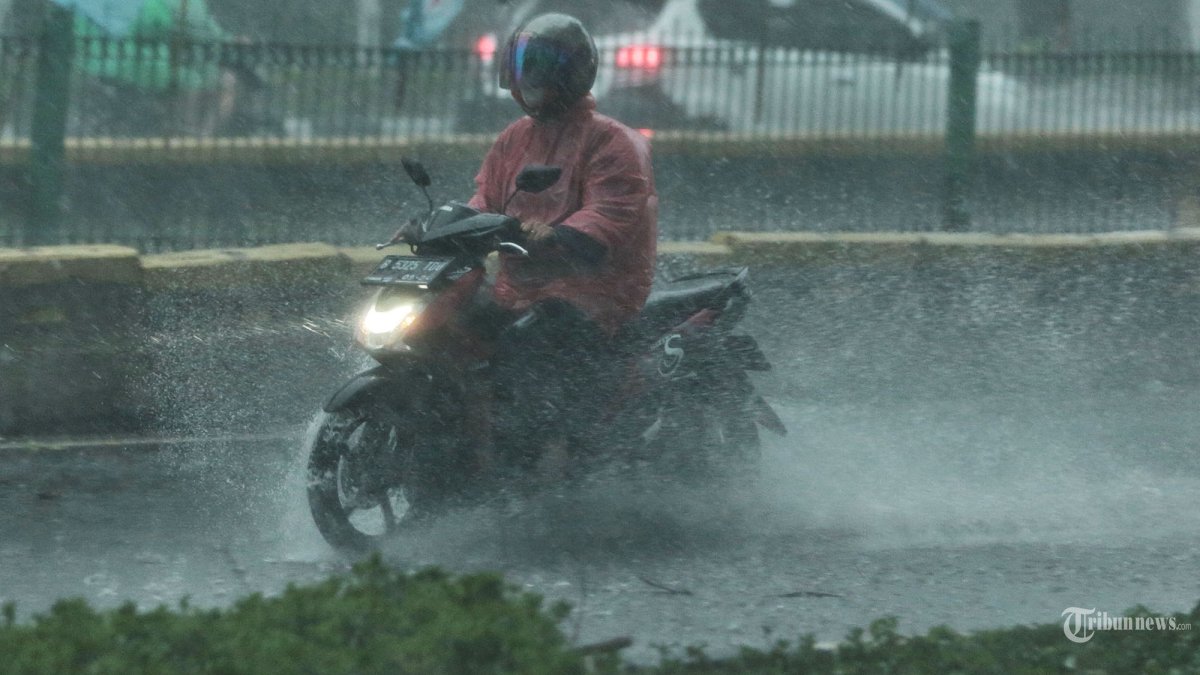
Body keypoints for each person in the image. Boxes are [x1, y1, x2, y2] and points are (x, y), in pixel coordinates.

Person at [467, 12, 658, 474]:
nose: (526, 75)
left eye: (539, 63)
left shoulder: (611, 142)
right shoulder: (514, 138)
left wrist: (562, 235)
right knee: (456, 327)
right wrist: (443, 225)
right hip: (520, 289)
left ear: (571, 71)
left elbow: (611, 211)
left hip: (593, 295)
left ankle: (543, 454)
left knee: (531, 344)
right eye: (522, 62)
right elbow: (484, 197)